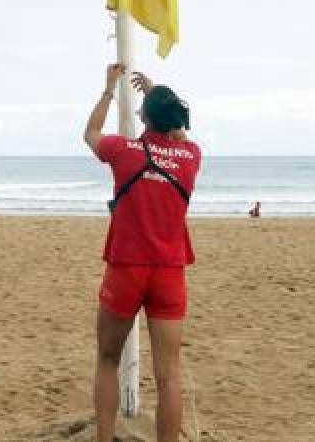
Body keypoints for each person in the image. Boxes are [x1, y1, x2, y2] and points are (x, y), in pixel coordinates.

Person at [84, 64, 201, 442]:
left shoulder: (124, 150)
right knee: (169, 374)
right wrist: (155, 94)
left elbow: (90, 134)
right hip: (169, 274)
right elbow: (180, 136)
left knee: (107, 358)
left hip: (127, 270)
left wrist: (108, 91)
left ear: (144, 118)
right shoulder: (190, 157)